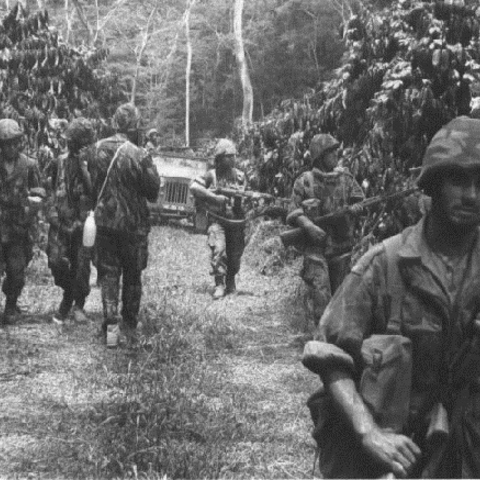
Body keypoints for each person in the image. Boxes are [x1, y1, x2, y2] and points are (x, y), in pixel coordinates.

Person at [303, 116, 480, 478]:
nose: (473, 195)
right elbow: (329, 353)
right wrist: (369, 433)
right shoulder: (386, 265)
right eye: (459, 180)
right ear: (432, 183)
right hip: (397, 453)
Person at [87, 103, 160, 347]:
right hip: (133, 226)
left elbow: (92, 187)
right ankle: (129, 329)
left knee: (108, 273)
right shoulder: (139, 154)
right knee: (132, 276)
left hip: (104, 223)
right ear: (135, 126)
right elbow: (153, 192)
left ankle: (110, 330)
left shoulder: (96, 149)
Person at [286, 133, 364, 326]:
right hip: (316, 249)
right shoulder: (305, 181)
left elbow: (359, 199)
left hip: (341, 247)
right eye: (331, 152)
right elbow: (293, 212)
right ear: (320, 156)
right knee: (322, 295)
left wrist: (356, 208)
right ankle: (321, 340)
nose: (336, 156)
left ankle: (337, 339)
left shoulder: (345, 178)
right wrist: (308, 225)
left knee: (342, 298)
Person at [47, 117, 96, 326]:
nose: (70, 146)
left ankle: (77, 304)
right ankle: (68, 292)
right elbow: (50, 189)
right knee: (55, 261)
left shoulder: (92, 165)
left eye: (75, 143)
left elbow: (94, 193)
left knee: (81, 265)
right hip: (60, 220)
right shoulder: (59, 161)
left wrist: (85, 168)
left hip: (82, 223)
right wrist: (53, 215)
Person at [190, 138, 247, 300]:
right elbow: (194, 187)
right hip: (217, 220)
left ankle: (230, 281)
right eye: (229, 156)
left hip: (235, 222)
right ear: (220, 159)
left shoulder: (240, 176)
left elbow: (245, 199)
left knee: (235, 256)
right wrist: (214, 198)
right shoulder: (211, 175)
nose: (233, 159)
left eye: (234, 156)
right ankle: (220, 283)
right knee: (219, 250)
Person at [0, 118, 44, 326]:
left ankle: (10, 305)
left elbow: (41, 192)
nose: (10, 147)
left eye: (14, 142)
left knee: (17, 271)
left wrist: (33, 206)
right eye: (5, 143)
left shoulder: (29, 165)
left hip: (18, 225)